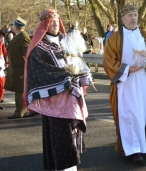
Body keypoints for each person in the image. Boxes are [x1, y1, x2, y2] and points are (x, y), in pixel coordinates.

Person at [24, 9, 90, 170]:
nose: (55, 24)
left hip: (72, 98)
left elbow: (78, 61)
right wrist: (66, 77)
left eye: (57, 20)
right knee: (60, 138)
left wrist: (82, 72)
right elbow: (39, 72)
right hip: (55, 102)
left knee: (72, 134)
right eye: (51, 21)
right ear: (44, 24)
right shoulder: (39, 48)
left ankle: (71, 168)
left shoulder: (66, 42)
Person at [103, 4, 146, 164]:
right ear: (122, 19)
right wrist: (127, 69)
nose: (133, 18)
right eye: (129, 16)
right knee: (129, 115)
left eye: (135, 15)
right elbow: (108, 61)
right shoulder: (114, 38)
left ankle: (142, 145)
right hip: (125, 83)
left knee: (142, 113)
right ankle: (132, 149)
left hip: (143, 80)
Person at [5, 17, 33, 119]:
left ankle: (20, 112)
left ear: (16, 26)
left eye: (13, 25)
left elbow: (28, 54)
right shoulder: (18, 36)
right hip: (16, 68)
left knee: (20, 91)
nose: (11, 26)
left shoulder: (24, 37)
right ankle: (21, 110)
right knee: (19, 91)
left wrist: (26, 67)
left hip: (20, 69)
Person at [0, 32, 8, 109]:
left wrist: (7, 62)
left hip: (1, 66)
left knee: (2, 84)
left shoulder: (1, 43)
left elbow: (5, 52)